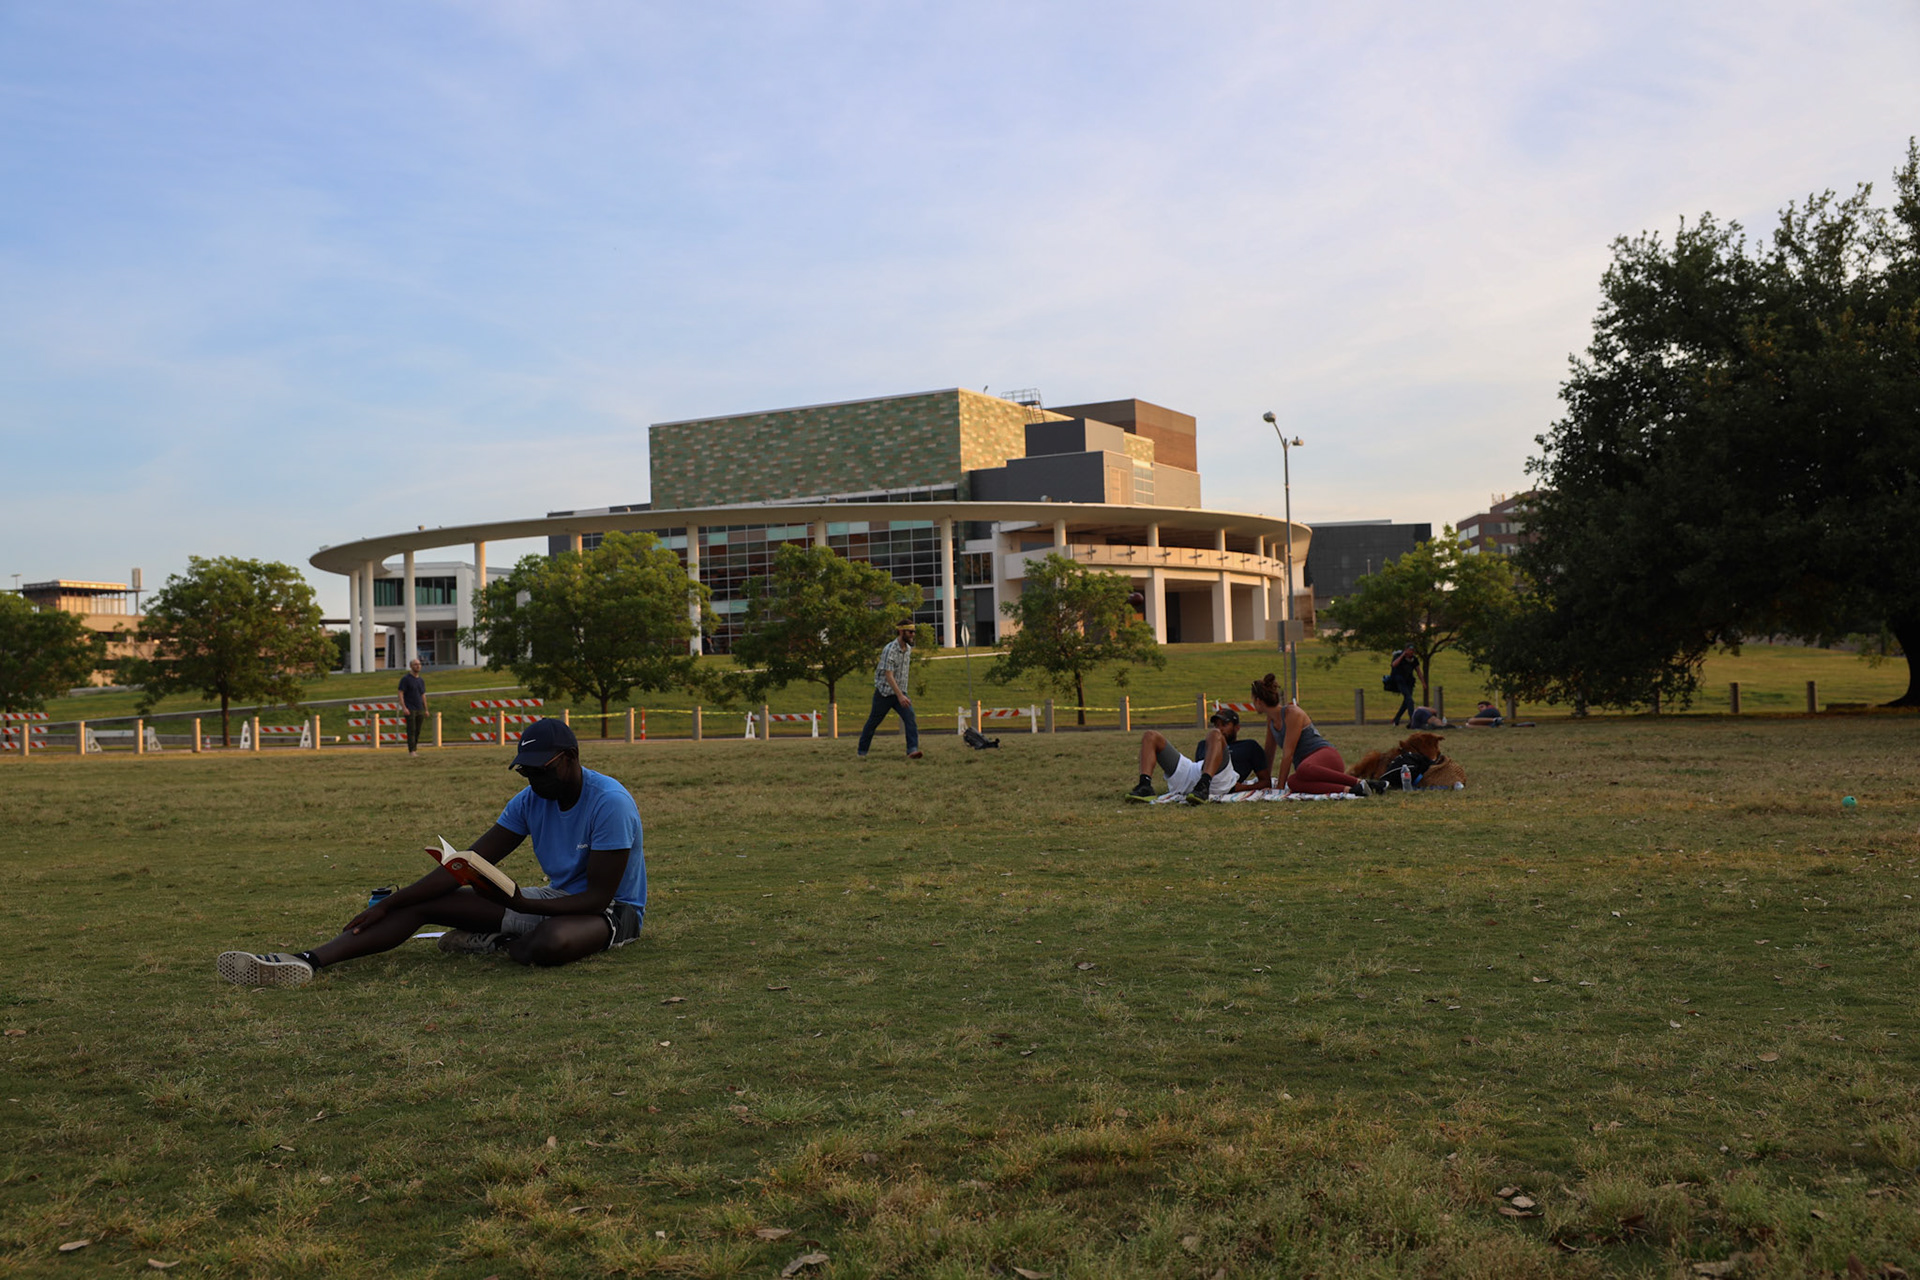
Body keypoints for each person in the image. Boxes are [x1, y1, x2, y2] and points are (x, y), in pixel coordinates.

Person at [215, 718, 646, 988]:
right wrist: (393, 902)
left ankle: (501, 943)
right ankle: (307, 961)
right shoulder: (529, 801)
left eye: (541, 769)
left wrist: (521, 904)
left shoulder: (609, 802)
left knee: (550, 944)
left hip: (609, 912)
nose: (533, 779)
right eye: (524, 771)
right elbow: (467, 864)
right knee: (423, 904)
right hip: (548, 901)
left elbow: (597, 898)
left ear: (569, 758)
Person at [1248, 672, 1378, 796]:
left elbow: (1288, 754)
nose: (1253, 704)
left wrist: (1280, 788)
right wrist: (1265, 782)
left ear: (1258, 701)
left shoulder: (1292, 713)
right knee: (1293, 782)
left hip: (1325, 757)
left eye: (1253, 700)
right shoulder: (1271, 720)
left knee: (1303, 768)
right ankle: (1351, 790)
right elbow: (1269, 753)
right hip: (1307, 770)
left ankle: (1360, 782)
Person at [1127, 705, 1269, 801]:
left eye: (1224, 725)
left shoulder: (1249, 746)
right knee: (1150, 735)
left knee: (1214, 734)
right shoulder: (1204, 743)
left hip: (1224, 778)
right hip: (1196, 774)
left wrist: (1242, 788)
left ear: (1237, 727)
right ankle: (1145, 785)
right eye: (1217, 725)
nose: (1220, 728)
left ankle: (1204, 785)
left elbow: (1265, 781)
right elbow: (1200, 765)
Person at [857, 621, 922, 760]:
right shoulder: (890, 649)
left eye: (914, 632)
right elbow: (888, 675)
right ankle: (862, 751)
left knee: (910, 718)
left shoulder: (908, 649)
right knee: (873, 722)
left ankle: (912, 750)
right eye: (910, 632)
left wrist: (902, 694)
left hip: (900, 692)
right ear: (901, 631)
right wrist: (900, 696)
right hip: (884, 693)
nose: (913, 635)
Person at [398, 657, 428, 756]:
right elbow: (400, 693)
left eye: (419, 664)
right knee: (411, 729)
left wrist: (426, 709)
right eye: (415, 664)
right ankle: (412, 750)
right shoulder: (406, 679)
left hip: (419, 708)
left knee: (417, 730)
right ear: (411, 666)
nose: (418, 666)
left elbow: (423, 695)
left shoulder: (421, 680)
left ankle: (415, 748)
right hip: (410, 708)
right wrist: (404, 707)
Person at [1388, 643, 1420, 727]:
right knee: (1410, 700)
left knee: (1407, 701)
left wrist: (1423, 683)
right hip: (1399, 681)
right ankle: (1413, 720)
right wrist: (1402, 655)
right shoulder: (1398, 656)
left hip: (1409, 682)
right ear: (1405, 650)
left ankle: (1396, 719)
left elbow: (1418, 671)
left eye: (1412, 650)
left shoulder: (1414, 659)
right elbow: (1394, 664)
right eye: (1409, 650)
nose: (1411, 652)